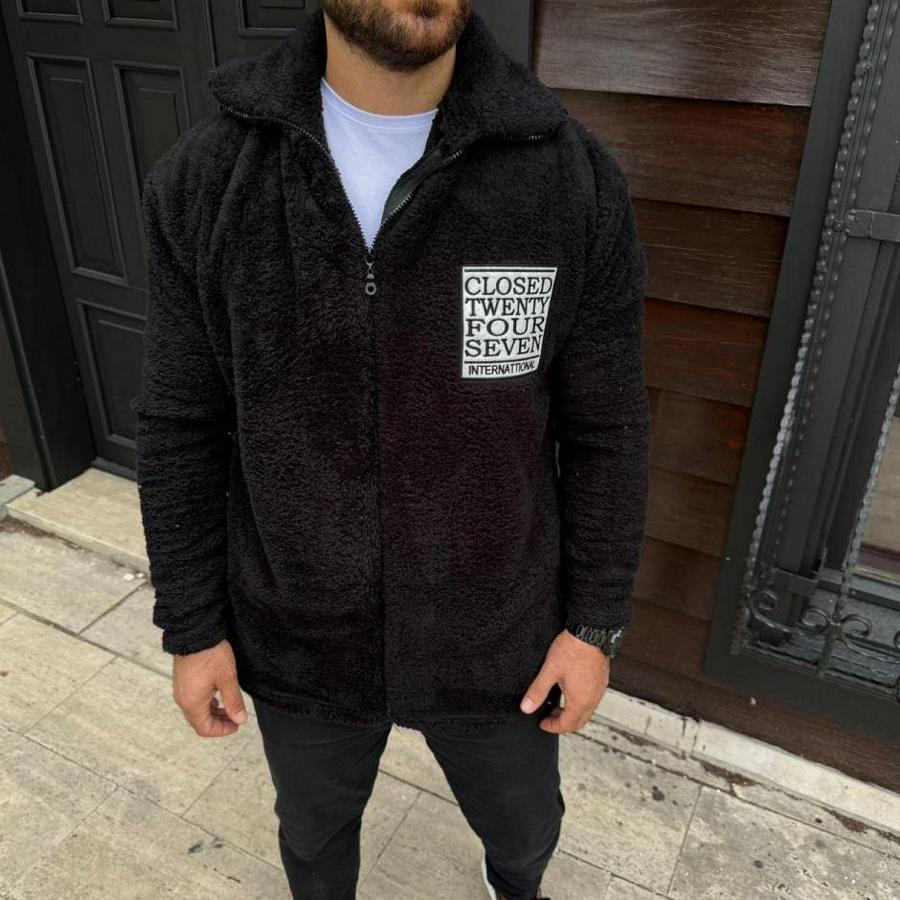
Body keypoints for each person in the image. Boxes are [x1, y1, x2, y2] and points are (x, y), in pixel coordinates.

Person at [132, 2, 651, 898]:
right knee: (313, 837)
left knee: (526, 829)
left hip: (501, 638)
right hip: (298, 634)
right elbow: (181, 424)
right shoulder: (208, 181)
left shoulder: (568, 181)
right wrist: (193, 626)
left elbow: (607, 426)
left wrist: (594, 623)